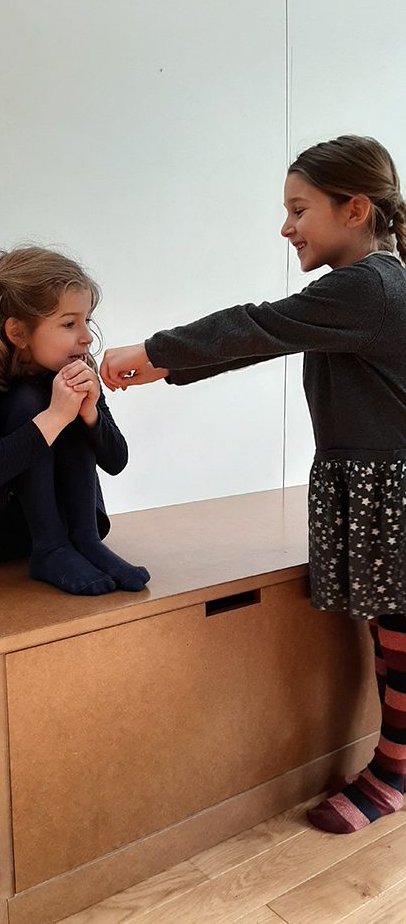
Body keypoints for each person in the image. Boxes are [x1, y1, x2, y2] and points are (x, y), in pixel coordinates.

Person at [100, 135, 406, 834]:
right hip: (376, 487)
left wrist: (153, 353)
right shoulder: (370, 285)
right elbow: (267, 335)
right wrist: (165, 365)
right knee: (389, 630)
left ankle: (394, 769)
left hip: (392, 491)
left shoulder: (369, 286)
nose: (285, 227)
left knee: (399, 635)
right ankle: (396, 761)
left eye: (299, 209)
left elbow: (257, 326)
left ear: (355, 209)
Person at [0, 246, 150, 596]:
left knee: (69, 396)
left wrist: (88, 413)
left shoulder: (76, 370)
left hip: (63, 522)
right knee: (32, 399)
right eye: (69, 323)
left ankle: (85, 540)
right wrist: (55, 416)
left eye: (86, 321)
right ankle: (50, 549)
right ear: (18, 332)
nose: (86, 336)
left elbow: (116, 461)